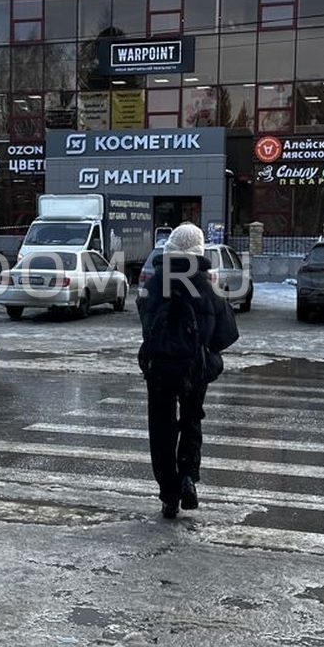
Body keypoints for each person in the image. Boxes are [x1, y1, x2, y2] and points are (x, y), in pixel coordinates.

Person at [136, 222, 239, 520]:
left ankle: (169, 495)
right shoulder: (206, 286)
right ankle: (188, 477)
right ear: (199, 249)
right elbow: (227, 334)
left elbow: (145, 323)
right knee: (192, 420)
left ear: (170, 248)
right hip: (194, 369)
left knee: (161, 429)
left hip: (159, 370)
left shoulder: (155, 284)